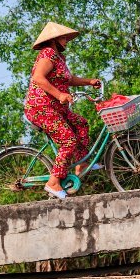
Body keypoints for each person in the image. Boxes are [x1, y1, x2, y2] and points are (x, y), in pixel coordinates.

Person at [24, 21, 102, 199]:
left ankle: (81, 164)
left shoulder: (59, 58)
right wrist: (59, 94)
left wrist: (89, 81)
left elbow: (68, 78)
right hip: (41, 107)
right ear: (53, 39)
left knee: (81, 124)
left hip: (56, 108)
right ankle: (53, 182)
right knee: (68, 140)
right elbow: (38, 78)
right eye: (63, 37)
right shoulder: (48, 53)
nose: (66, 40)